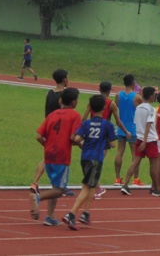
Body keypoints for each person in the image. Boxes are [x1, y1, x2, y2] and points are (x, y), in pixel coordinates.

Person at [29, 88, 82, 225]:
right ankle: (38, 198)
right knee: (60, 190)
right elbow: (74, 138)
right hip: (62, 156)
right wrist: (83, 145)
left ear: (60, 100)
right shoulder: (75, 116)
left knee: (55, 187)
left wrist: (47, 146)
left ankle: (50, 217)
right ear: (74, 102)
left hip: (48, 155)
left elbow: (39, 136)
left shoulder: (52, 115)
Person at [62, 94, 117, 230]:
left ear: (91, 108)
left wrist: (83, 142)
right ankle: (71, 214)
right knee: (87, 187)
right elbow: (114, 144)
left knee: (93, 185)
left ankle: (86, 213)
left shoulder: (86, 123)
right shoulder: (107, 125)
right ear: (104, 108)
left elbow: (77, 138)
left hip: (85, 157)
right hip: (96, 158)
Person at [82, 81, 131, 200]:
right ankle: (97, 188)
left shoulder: (92, 101)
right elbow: (118, 121)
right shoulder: (111, 104)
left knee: (92, 162)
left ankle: (93, 186)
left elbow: (84, 118)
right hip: (103, 136)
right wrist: (126, 132)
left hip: (92, 134)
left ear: (99, 89)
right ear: (109, 90)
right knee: (97, 163)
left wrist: (83, 131)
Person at [30, 69, 74, 197]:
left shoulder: (48, 93)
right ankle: (61, 186)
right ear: (65, 79)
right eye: (68, 77)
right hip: (58, 130)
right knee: (57, 158)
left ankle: (35, 183)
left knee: (48, 157)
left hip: (48, 127)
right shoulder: (64, 96)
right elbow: (63, 112)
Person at [121, 87, 160, 196]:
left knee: (135, 162)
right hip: (150, 139)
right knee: (153, 164)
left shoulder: (138, 108)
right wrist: (145, 141)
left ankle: (125, 185)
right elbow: (148, 124)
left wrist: (142, 140)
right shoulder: (151, 109)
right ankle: (156, 189)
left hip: (139, 137)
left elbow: (137, 122)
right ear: (151, 96)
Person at [114, 74, 143, 187]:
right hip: (133, 128)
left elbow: (117, 105)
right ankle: (135, 179)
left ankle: (117, 178)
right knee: (135, 154)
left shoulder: (118, 95)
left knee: (119, 152)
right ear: (133, 84)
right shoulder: (136, 97)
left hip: (121, 127)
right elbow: (141, 108)